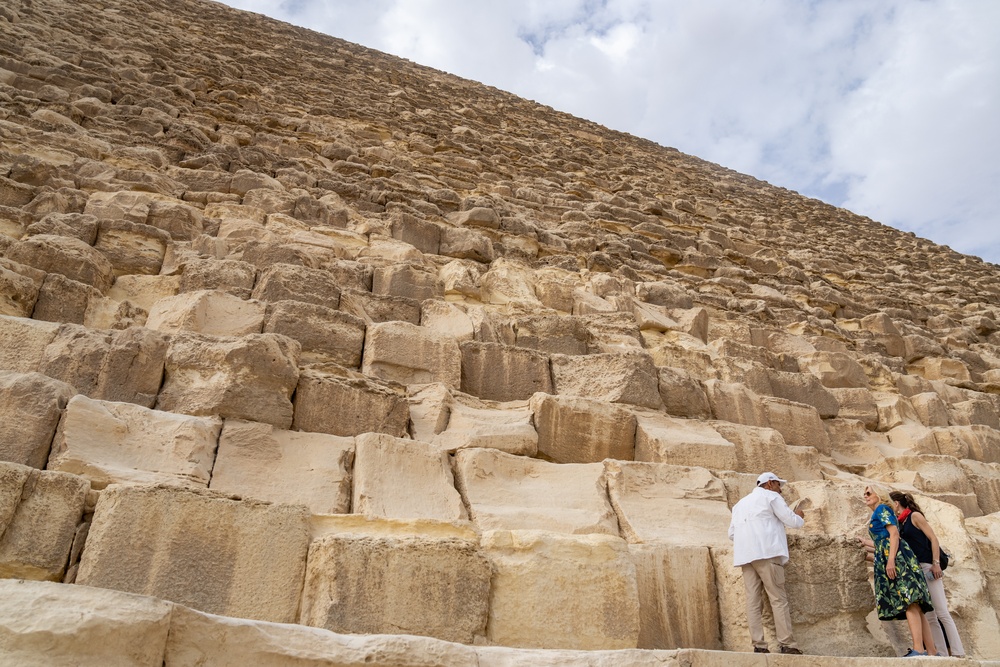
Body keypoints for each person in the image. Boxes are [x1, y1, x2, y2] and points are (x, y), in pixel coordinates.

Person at [728, 472, 805, 655]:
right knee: (778, 598)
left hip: (745, 556)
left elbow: (731, 534)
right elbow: (791, 521)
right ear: (770, 484)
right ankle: (787, 644)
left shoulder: (739, 504)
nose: (781, 490)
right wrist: (800, 516)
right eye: (779, 485)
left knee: (753, 601)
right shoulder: (771, 496)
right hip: (767, 553)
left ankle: (759, 646)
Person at [862, 485, 936, 657]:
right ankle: (931, 651)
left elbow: (894, 534)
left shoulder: (881, 508)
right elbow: (884, 541)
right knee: (916, 605)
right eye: (864, 494)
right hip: (900, 556)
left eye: (868, 492)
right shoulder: (882, 511)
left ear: (879, 495)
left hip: (898, 559)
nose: (865, 496)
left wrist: (891, 561)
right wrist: (864, 542)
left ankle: (918, 649)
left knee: (909, 602)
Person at [889, 491, 965, 658]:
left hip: (928, 567)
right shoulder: (900, 524)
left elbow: (933, 539)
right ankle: (941, 654)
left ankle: (958, 652)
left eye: (890, 504)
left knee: (942, 612)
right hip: (916, 571)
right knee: (930, 615)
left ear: (896, 503)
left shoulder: (915, 516)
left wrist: (936, 563)